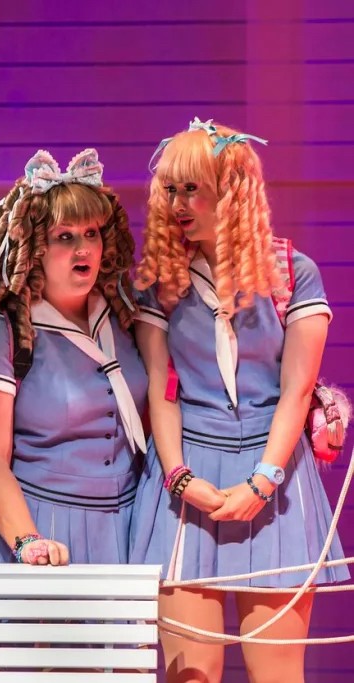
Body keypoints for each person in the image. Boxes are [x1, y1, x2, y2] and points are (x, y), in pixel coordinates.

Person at [128, 118, 348, 683]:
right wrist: (177, 476)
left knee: (276, 676)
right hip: (187, 480)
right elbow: (162, 389)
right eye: (171, 190)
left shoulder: (293, 275)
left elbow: (297, 391)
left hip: (273, 480)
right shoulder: (162, 284)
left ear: (231, 192)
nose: (178, 203)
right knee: (188, 676)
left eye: (192, 188)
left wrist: (265, 479)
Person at [0, 149, 147, 567]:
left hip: (124, 528)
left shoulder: (123, 317)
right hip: (38, 525)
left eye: (92, 233)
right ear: (34, 249)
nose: (83, 248)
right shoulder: (3, 329)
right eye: (65, 237)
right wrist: (28, 541)